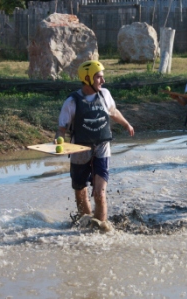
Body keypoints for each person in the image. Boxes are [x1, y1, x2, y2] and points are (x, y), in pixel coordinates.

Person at [55, 60, 134, 231]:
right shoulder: (71, 101)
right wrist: (58, 140)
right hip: (80, 150)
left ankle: (102, 230)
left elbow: (113, 112)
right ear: (88, 78)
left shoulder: (105, 94)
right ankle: (87, 227)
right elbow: (61, 128)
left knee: (99, 193)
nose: (103, 81)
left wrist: (127, 124)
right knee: (80, 190)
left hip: (102, 148)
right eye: (99, 77)